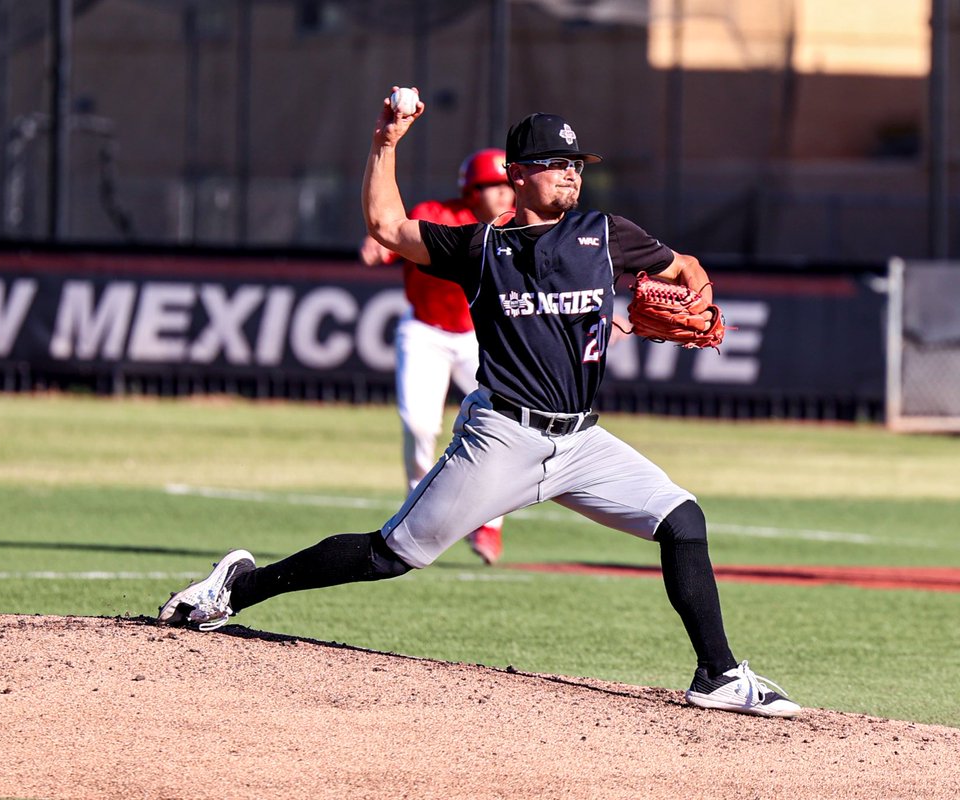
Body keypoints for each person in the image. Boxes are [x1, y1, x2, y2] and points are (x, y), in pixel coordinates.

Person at [160, 90, 801, 718]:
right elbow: (386, 227)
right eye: (556, 164)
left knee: (683, 520)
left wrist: (698, 293)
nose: (570, 176)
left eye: (576, 165)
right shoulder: (481, 249)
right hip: (503, 437)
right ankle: (236, 588)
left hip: (582, 442)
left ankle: (718, 674)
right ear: (517, 175)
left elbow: (684, 265)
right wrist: (386, 142)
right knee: (391, 555)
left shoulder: (605, 235)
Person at [359, 148, 515, 564]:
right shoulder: (434, 212)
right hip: (425, 330)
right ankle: (419, 515)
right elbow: (393, 239)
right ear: (471, 189)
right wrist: (379, 246)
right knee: (419, 423)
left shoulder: (515, 225)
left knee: (506, 426)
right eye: (492, 186)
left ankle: (490, 526)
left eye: (506, 185)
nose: (503, 195)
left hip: (477, 337)